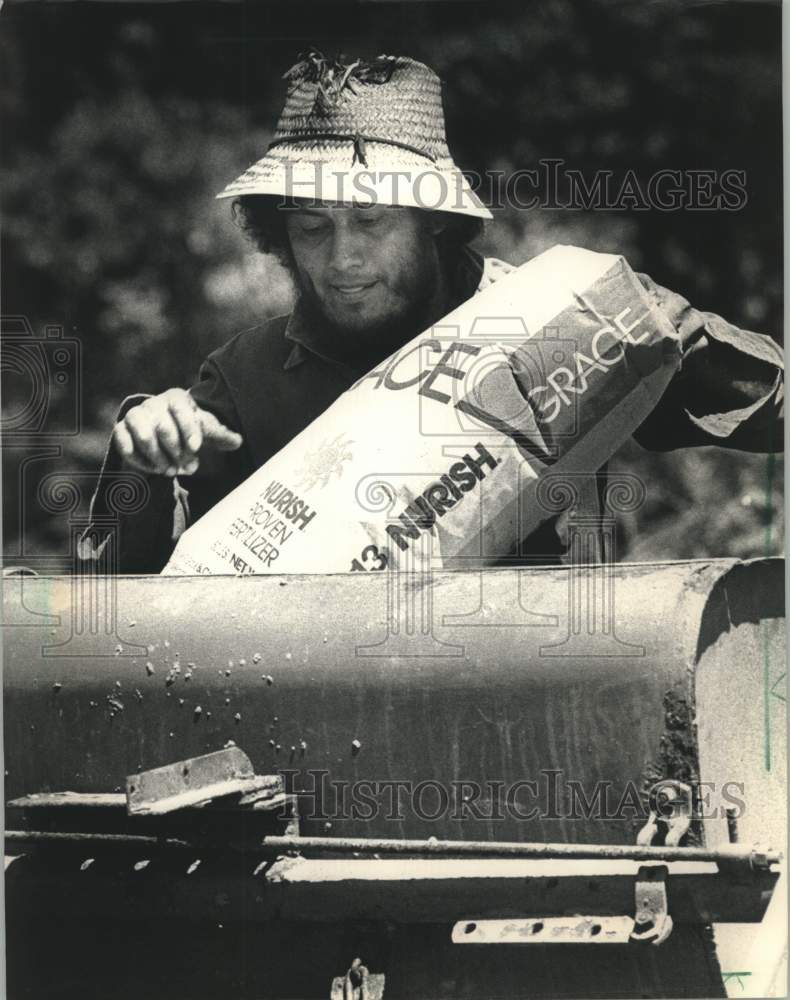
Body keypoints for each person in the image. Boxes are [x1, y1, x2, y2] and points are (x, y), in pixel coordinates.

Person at [81, 50, 784, 574]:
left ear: (435, 223)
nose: (342, 261)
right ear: (278, 234)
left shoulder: (556, 325)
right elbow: (135, 598)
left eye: (371, 221)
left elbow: (769, 402)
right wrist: (146, 450)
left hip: (550, 723)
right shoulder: (246, 377)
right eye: (311, 228)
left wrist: (656, 326)